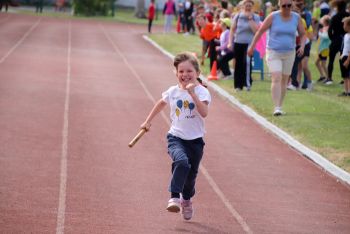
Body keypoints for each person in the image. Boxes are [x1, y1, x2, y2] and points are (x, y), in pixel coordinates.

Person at [140, 52, 211, 221]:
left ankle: (186, 199)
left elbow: (204, 113)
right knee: (180, 161)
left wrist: (192, 94)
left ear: (197, 73)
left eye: (189, 71)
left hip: (195, 142)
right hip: (176, 137)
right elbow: (161, 103)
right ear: (176, 73)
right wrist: (147, 121)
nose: (185, 75)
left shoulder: (202, 92)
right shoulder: (172, 91)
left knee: (191, 176)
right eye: (181, 71)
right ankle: (174, 197)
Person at [247, 0, 306, 116]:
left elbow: (303, 34)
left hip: (290, 52)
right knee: (276, 77)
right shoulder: (273, 17)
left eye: (289, 5)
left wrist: (302, 46)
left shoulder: (296, 17)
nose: (287, 8)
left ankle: (280, 104)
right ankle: (277, 107)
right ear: (279, 6)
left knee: (284, 80)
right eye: (284, 6)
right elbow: (260, 31)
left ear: (292, 5)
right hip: (273, 52)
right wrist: (252, 46)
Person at [228, 0, 260, 91]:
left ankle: (247, 84)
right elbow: (232, 30)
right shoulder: (237, 16)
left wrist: (250, 19)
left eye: (250, 6)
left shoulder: (255, 17)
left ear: (252, 7)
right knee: (238, 64)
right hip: (238, 42)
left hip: (249, 43)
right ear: (242, 7)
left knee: (247, 63)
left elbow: (256, 31)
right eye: (246, 5)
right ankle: (238, 85)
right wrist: (230, 42)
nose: (248, 7)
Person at [325, 0, 349, 85]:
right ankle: (345, 78)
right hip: (346, 39)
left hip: (336, 39)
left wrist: (333, 38)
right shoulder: (348, 16)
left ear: (337, 7)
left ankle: (329, 78)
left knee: (331, 59)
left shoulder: (335, 17)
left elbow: (329, 30)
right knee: (345, 59)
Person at [316, 15, 331, 82]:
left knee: (323, 64)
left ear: (325, 21)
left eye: (322, 20)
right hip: (322, 49)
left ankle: (328, 78)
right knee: (317, 62)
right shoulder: (324, 28)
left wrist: (320, 33)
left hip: (325, 48)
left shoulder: (327, 28)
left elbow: (326, 37)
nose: (321, 21)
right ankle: (322, 76)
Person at [338, 16, 350, 96]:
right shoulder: (346, 35)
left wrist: (348, 60)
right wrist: (341, 55)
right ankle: (346, 91)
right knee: (344, 75)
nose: (343, 26)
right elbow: (343, 47)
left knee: (348, 76)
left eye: (344, 25)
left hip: (348, 58)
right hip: (344, 57)